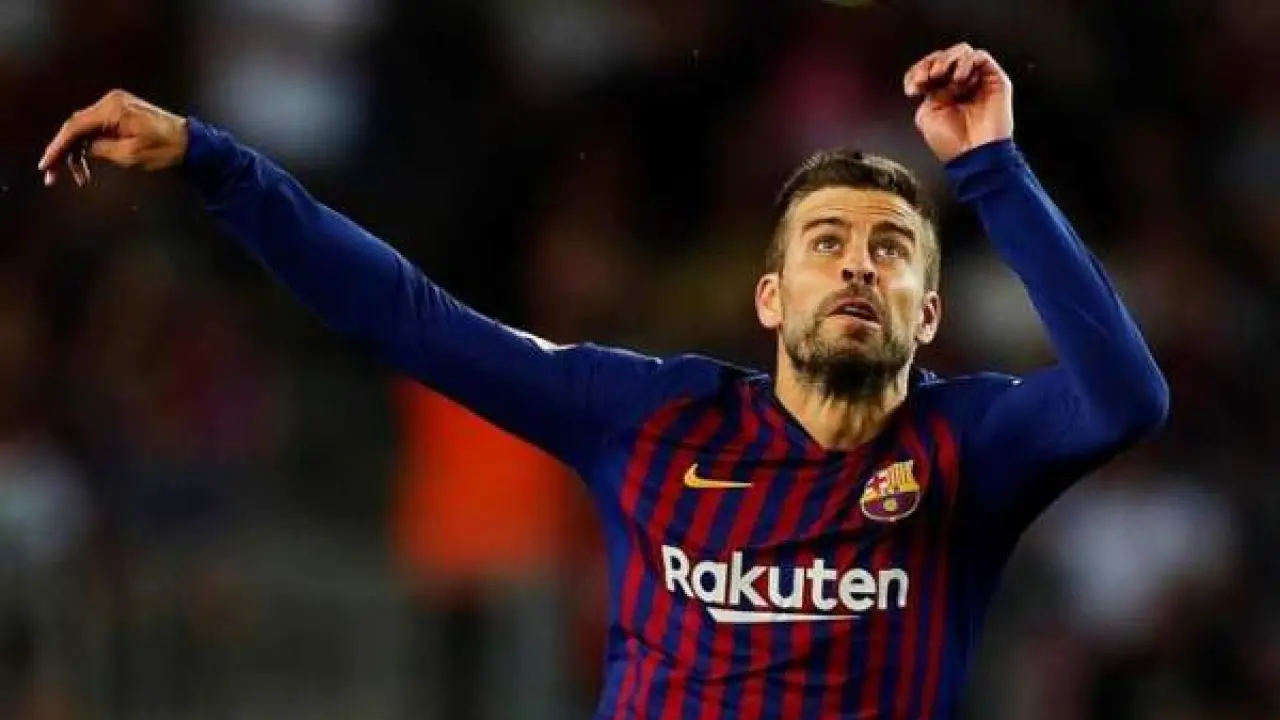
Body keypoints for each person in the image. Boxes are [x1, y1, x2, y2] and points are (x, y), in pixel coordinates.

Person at [39, 43, 1168, 719]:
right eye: (825, 242)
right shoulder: (653, 415)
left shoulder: (970, 447)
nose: (857, 265)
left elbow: (1127, 398)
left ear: (927, 315)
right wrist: (216, 163)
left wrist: (991, 166)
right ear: (768, 298)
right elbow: (410, 318)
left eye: (889, 250)